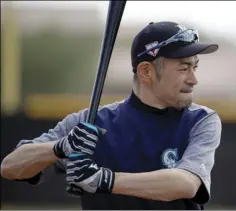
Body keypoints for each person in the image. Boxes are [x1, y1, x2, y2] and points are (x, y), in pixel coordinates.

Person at [1, 21, 222, 210]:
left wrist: (103, 180)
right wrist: (61, 147)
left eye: (195, 67)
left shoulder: (200, 120)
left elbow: (186, 184)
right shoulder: (92, 122)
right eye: (184, 69)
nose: (194, 79)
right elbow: (10, 168)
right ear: (146, 71)